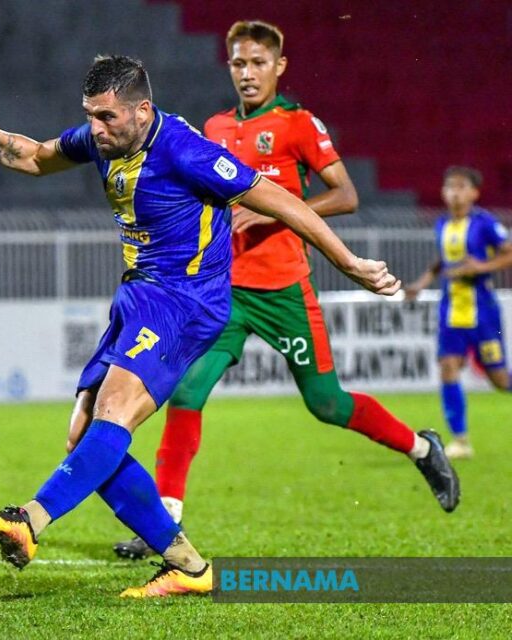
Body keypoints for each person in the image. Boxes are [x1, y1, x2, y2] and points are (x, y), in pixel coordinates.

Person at [0, 54, 402, 598]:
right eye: (90, 115)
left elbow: (282, 202)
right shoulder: (105, 139)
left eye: (106, 117)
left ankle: (30, 519)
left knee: (113, 411)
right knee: (84, 434)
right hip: (140, 296)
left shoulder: (185, 151)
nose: (95, 128)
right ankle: (187, 566)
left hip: (186, 301)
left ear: (142, 111)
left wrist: (349, 263)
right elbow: (34, 157)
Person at [111, 20, 460, 561]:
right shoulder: (214, 126)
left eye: (258, 63)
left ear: (279, 67)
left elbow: (345, 195)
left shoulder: (297, 124)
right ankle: (165, 521)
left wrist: (272, 214)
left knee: (327, 403)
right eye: (238, 63)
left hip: (283, 290)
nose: (247, 74)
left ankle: (421, 447)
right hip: (224, 292)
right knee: (186, 392)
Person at [404, 166, 512, 459]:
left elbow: (508, 253)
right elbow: (442, 260)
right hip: (450, 310)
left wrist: (481, 267)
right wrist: (421, 283)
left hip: (483, 312)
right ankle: (460, 441)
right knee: (448, 366)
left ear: (475, 193)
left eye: (461, 186)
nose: (454, 192)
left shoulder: (485, 223)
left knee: (501, 381)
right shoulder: (443, 223)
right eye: (450, 186)